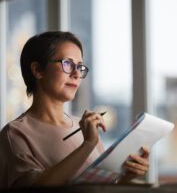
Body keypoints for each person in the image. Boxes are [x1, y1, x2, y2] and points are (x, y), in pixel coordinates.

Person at [0, 31, 150, 188]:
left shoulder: (84, 127)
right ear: (37, 70)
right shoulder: (15, 134)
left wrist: (126, 177)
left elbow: (101, 187)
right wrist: (88, 145)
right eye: (67, 64)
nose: (77, 73)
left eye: (79, 66)